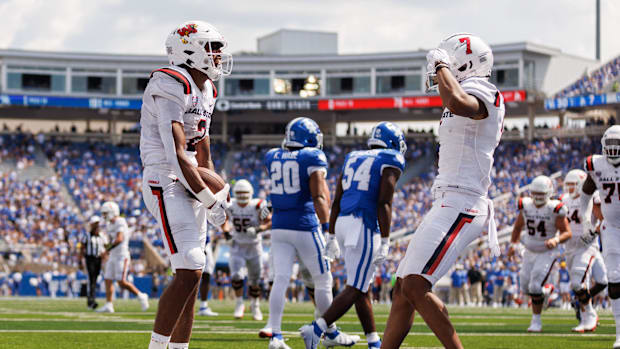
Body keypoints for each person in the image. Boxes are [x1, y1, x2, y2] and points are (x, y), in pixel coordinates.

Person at [382, 33, 504, 349]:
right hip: (448, 199)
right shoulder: (462, 93)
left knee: (415, 285)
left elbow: (455, 101)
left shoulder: (486, 92)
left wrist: (440, 64)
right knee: (402, 289)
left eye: (450, 62)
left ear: (467, 63)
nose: (442, 70)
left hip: (464, 202)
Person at [140, 20, 232, 349]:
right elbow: (176, 153)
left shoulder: (207, 88)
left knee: (193, 275)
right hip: (163, 176)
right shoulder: (168, 81)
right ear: (189, 50)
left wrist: (217, 194)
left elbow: (202, 151)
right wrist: (210, 199)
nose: (219, 55)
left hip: (188, 177)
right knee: (191, 267)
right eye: (213, 48)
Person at [300, 121, 406, 349]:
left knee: (362, 286)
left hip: (344, 222)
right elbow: (384, 202)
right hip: (363, 224)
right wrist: (386, 240)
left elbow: (336, 200)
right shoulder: (390, 159)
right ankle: (317, 329)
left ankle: (373, 341)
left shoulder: (354, 156)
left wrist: (331, 235)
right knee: (356, 287)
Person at [262, 117, 357, 349]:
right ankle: (330, 332)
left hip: (279, 227)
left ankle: (276, 336)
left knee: (281, 280)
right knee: (324, 280)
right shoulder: (312, 157)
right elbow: (318, 196)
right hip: (305, 225)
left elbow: (280, 188)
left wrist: (271, 203)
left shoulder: (272, 155)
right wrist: (328, 230)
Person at [508, 175, 572, 332]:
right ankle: (547, 291)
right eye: (535, 193)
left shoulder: (554, 209)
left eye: (541, 194)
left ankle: (536, 322)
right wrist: (513, 244)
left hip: (547, 252)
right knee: (524, 287)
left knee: (535, 285)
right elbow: (517, 227)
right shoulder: (526, 206)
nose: (537, 197)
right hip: (529, 251)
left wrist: (556, 240)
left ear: (549, 193)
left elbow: (567, 233)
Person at [579, 125, 620, 348]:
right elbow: (585, 196)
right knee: (614, 277)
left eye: (618, 145)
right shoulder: (596, 165)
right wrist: (587, 222)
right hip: (611, 227)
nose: (613, 150)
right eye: (610, 145)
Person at [561, 169, 608, 332]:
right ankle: (584, 311)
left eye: (573, 185)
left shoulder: (590, 197)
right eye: (568, 185)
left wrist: (593, 232)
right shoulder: (563, 199)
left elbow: (602, 219)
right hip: (570, 247)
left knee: (582, 282)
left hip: (587, 246)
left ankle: (587, 314)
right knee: (594, 282)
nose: (569, 188)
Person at [222, 179, 271, 320]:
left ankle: (255, 305)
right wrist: (226, 233)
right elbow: (224, 220)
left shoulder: (258, 205)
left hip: (254, 245)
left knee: (255, 280)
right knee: (236, 276)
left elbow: (269, 221)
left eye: (245, 194)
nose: (243, 198)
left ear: (251, 193)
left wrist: (258, 229)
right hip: (237, 245)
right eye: (240, 194)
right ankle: (239, 304)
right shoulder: (231, 206)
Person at [95, 201, 150, 313]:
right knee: (108, 279)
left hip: (121, 255)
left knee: (121, 282)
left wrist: (106, 250)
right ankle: (109, 304)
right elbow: (111, 241)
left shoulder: (120, 221)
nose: (104, 216)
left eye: (106, 213)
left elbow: (119, 239)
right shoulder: (109, 224)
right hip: (113, 255)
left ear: (112, 212)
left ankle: (141, 296)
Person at [80, 215, 107, 309]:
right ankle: (91, 301)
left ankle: (91, 300)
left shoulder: (101, 236)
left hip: (98, 259)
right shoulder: (87, 236)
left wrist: (105, 256)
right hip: (90, 259)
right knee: (91, 279)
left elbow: (105, 247)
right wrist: (80, 260)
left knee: (95, 279)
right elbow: (82, 248)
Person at [197, 232, 218, 316]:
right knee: (205, 275)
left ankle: (203, 306)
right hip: (200, 242)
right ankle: (203, 306)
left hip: (197, 241)